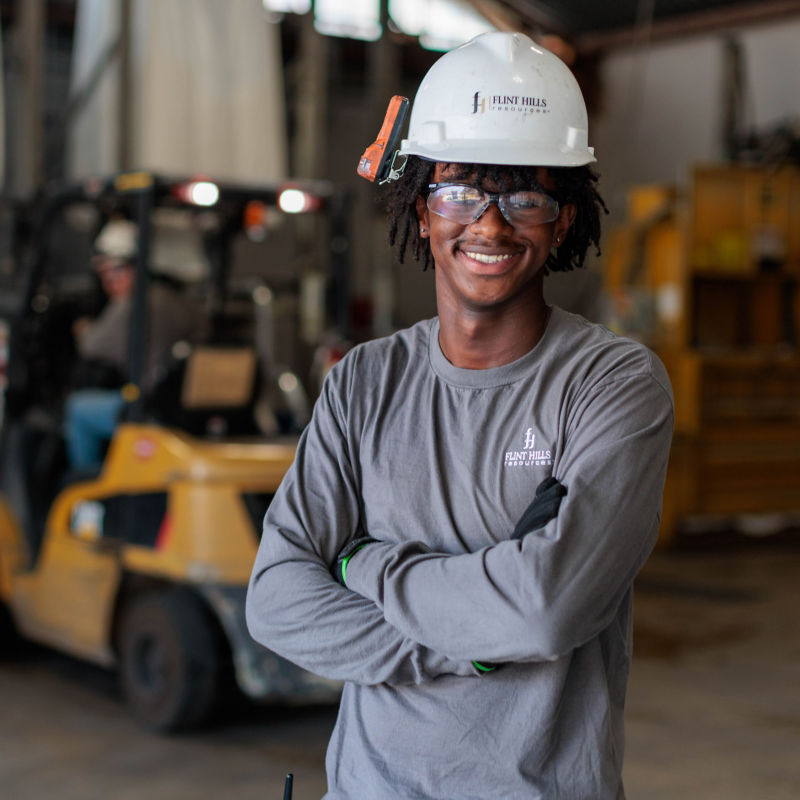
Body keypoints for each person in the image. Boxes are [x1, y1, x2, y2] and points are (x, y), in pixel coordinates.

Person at [246, 31, 674, 799]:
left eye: (525, 196)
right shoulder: (364, 383)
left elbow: (543, 610)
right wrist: (474, 640)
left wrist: (364, 565)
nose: (489, 224)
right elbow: (276, 602)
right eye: (460, 191)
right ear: (419, 210)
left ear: (566, 218)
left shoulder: (613, 385)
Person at [65, 218, 201, 468]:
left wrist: (82, 328)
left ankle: (86, 486)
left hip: (150, 404)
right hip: (184, 403)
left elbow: (92, 346)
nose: (109, 282)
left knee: (78, 409)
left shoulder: (134, 303)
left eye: (111, 272)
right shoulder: (182, 302)